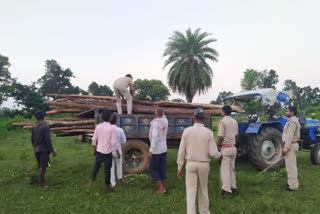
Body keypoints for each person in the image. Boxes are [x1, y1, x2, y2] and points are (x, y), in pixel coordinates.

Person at [177, 108, 221, 214]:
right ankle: (204, 212)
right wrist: (220, 155)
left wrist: (179, 166)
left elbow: (181, 150)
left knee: (190, 191)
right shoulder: (208, 132)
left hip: (190, 164)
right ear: (204, 118)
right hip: (204, 164)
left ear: (193, 117)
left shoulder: (187, 131)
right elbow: (213, 152)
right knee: (203, 189)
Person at [90, 109, 117, 192]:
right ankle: (107, 187)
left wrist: (94, 150)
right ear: (110, 118)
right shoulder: (112, 128)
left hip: (99, 151)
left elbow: (94, 140)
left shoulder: (98, 126)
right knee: (107, 170)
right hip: (107, 153)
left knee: (96, 168)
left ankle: (89, 185)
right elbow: (113, 142)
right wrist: (116, 151)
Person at [217, 105, 238, 199]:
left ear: (223, 112)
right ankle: (233, 187)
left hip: (225, 148)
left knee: (225, 170)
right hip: (233, 148)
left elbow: (220, 137)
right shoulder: (235, 121)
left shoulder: (222, 122)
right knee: (232, 169)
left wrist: (217, 149)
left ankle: (227, 191)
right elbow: (236, 136)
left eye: (221, 111)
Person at [31, 111, 56, 189]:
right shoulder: (46, 127)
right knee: (43, 167)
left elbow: (32, 139)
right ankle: (41, 185)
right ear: (44, 117)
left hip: (36, 149)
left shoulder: (34, 127)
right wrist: (52, 150)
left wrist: (34, 147)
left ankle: (42, 182)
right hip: (43, 149)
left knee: (40, 166)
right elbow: (48, 140)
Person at [148, 108, 168, 194]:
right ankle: (162, 185)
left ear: (156, 114)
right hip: (163, 149)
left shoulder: (155, 123)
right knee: (161, 168)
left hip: (156, 150)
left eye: (154, 113)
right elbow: (163, 116)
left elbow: (155, 137)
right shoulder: (165, 121)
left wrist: (151, 150)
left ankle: (161, 188)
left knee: (153, 169)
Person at [282, 106, 300, 191]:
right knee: (290, 166)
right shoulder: (291, 121)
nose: (286, 112)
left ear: (292, 112)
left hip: (291, 145)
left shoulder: (293, 122)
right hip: (291, 145)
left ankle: (293, 186)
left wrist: (286, 148)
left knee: (291, 166)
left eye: (287, 111)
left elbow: (290, 135)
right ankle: (291, 183)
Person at [110, 114, 127, 187]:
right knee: (119, 165)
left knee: (111, 166)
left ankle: (112, 182)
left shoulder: (106, 130)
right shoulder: (120, 130)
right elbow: (124, 141)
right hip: (117, 151)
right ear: (116, 121)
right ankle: (120, 180)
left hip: (108, 150)